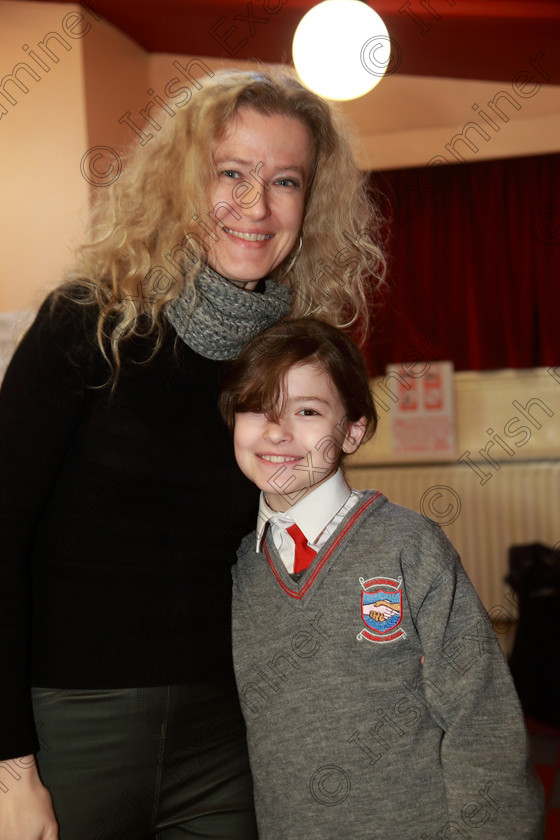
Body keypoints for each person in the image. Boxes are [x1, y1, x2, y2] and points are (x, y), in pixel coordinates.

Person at [0, 69, 385, 839]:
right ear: (183, 183)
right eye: (231, 174)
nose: (257, 205)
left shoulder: (293, 361)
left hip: (227, 733)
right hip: (71, 726)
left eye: (285, 180)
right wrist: (10, 767)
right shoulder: (88, 323)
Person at [218, 318, 545, 840]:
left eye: (306, 411)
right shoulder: (237, 567)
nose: (276, 431)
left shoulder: (408, 545)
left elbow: (480, 714)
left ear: (353, 430)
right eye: (257, 407)